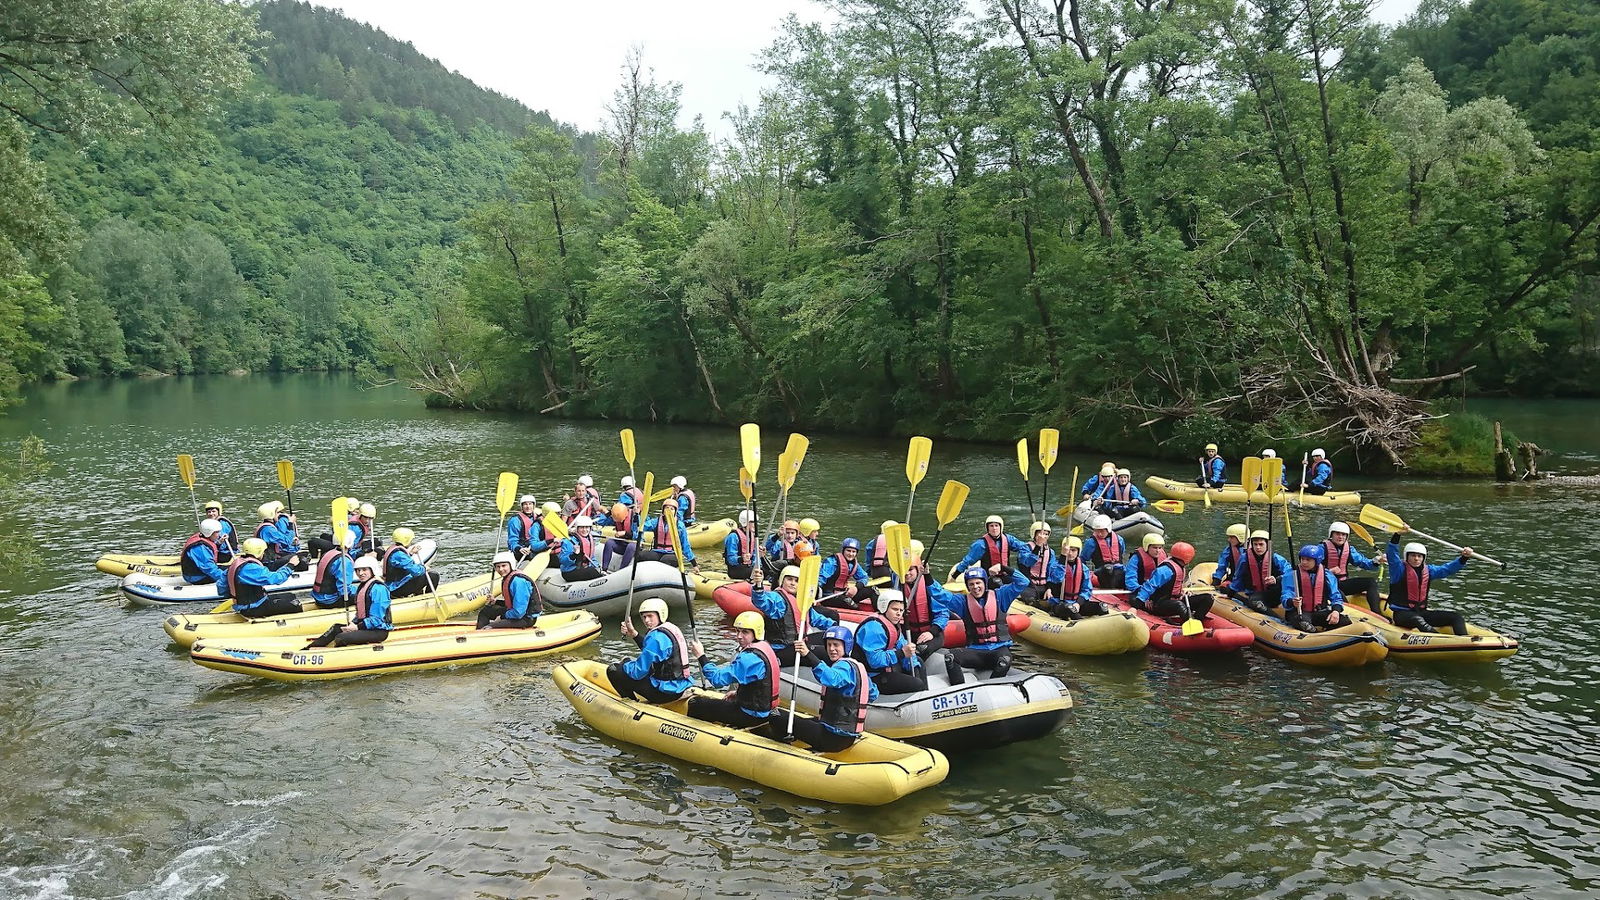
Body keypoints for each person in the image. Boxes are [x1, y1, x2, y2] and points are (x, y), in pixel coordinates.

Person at [777, 625, 877, 753]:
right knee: (805, 721)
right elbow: (873, 693)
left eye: (836, 645)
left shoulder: (843, 667)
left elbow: (831, 679)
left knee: (777, 715)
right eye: (829, 645)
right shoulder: (856, 666)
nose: (831, 649)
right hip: (845, 735)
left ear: (846, 646)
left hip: (832, 738)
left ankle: (782, 748)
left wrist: (808, 654)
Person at [687, 611, 781, 728]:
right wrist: (738, 694)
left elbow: (717, 680)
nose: (739, 636)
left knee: (696, 704)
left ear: (756, 633)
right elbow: (757, 685)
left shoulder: (750, 658)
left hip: (751, 716)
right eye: (737, 631)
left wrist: (701, 656)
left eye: (745, 632)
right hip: (764, 709)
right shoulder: (765, 647)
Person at [941, 566, 1030, 684]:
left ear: (985, 583)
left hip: (998, 651)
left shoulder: (1001, 596)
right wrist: (926, 576)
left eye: (978, 583)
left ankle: (994, 688)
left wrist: (1003, 568)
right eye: (971, 584)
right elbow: (939, 594)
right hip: (975, 652)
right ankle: (959, 689)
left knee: (1005, 660)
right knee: (950, 657)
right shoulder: (962, 602)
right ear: (967, 587)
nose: (975, 587)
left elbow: (1023, 582)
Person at [608, 597, 693, 703]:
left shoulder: (655, 638)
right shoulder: (671, 628)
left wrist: (625, 664)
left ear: (660, 614)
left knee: (613, 670)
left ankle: (631, 702)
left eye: (650, 616)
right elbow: (653, 652)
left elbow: (637, 672)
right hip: (680, 685)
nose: (646, 620)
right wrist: (634, 634)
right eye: (644, 617)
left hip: (664, 694)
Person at [751, 565, 838, 666]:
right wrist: (758, 586)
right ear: (782, 580)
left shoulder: (801, 601)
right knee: (824, 653)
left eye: (797, 581)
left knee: (831, 639)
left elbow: (817, 619)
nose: (793, 583)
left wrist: (835, 627)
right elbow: (761, 601)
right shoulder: (776, 598)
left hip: (798, 644)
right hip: (781, 650)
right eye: (789, 579)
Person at [1385, 533, 1472, 634]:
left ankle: (1464, 640)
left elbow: (1447, 569)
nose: (1416, 558)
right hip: (1402, 615)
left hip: (1421, 612)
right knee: (1417, 620)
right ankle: (1440, 640)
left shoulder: (1429, 570)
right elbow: (1391, 554)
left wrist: (1464, 558)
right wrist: (1397, 535)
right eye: (1413, 555)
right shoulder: (1398, 569)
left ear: (1423, 558)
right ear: (1406, 556)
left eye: (1419, 556)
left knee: (1456, 617)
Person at [305, 555, 393, 648]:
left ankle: (335, 657)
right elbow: (361, 613)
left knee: (341, 637)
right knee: (336, 628)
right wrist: (353, 624)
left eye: (364, 570)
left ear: (372, 570)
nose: (360, 573)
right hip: (365, 627)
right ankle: (309, 648)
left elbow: (377, 619)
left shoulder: (379, 589)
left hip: (378, 631)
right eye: (358, 570)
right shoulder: (364, 586)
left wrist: (357, 627)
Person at [852, 595, 927, 694]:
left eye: (901, 610)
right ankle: (920, 692)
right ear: (884, 607)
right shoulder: (874, 628)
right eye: (895, 609)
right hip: (872, 676)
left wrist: (913, 665)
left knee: (918, 662)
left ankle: (924, 694)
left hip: (887, 669)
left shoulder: (894, 626)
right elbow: (875, 661)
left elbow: (904, 647)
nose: (898, 613)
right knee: (917, 684)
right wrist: (901, 653)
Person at [1129, 541, 1213, 624]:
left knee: (1208, 598)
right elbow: (1149, 586)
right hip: (1158, 604)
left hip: (1174, 600)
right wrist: (1135, 606)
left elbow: (1175, 586)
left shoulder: (1180, 566)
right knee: (1178, 605)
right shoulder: (1165, 570)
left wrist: (1182, 593)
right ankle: (1189, 623)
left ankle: (1197, 620)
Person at [224, 538, 302, 619]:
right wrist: (290, 565)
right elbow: (277, 579)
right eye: (263, 551)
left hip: (250, 604)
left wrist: (235, 596)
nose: (264, 553)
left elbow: (221, 586)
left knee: (291, 596)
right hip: (253, 609)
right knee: (295, 604)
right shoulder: (251, 568)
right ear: (258, 552)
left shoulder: (237, 563)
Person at [1226, 530, 1295, 614]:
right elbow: (1238, 577)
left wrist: (1276, 579)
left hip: (1274, 593)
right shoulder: (1245, 558)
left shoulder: (1276, 558)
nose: (1258, 547)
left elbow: (1290, 574)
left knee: (1281, 582)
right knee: (1254, 602)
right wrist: (1230, 594)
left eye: (1261, 544)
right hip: (1256, 593)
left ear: (1267, 545)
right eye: (1255, 544)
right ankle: (1272, 615)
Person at [898, 556, 954, 658]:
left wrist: (931, 632)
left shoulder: (929, 587)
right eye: (904, 570)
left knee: (922, 649)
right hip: (908, 632)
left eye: (910, 569)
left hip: (932, 632)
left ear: (918, 569)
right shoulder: (897, 586)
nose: (907, 573)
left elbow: (942, 613)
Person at [1287, 545, 1348, 632]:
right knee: (1303, 623)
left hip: (1319, 612)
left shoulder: (1327, 575)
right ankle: (1314, 634)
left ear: (1317, 561)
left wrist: (1336, 611)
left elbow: (1336, 596)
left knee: (1345, 621)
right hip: (1299, 612)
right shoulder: (1292, 574)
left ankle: (1327, 635)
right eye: (1302, 559)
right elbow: (1287, 592)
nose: (1304, 562)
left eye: (1308, 560)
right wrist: (1292, 601)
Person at [1041, 536, 1104, 619]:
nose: (1070, 553)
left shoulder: (1083, 568)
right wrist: (1063, 558)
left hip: (1076, 603)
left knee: (1102, 606)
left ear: (1078, 551)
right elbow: (1056, 579)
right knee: (1070, 609)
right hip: (1059, 603)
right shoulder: (1056, 566)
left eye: (1073, 550)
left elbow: (1087, 590)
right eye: (1068, 550)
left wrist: (1078, 603)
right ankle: (1081, 624)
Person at [953, 515, 1028, 582]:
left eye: (996, 525)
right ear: (987, 528)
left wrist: (1036, 547)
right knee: (997, 583)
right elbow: (967, 561)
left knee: (1024, 581)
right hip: (989, 577)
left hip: (1005, 574)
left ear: (1001, 527)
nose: (994, 528)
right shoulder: (980, 544)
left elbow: (1024, 547)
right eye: (991, 526)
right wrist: (955, 575)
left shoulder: (1008, 539)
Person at [1322, 522, 1380, 608]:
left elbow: (1363, 562)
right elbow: (1311, 569)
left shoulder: (1349, 549)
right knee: (1338, 593)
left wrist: (1376, 561)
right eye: (1337, 534)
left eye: (1343, 535)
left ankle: (1377, 613)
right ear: (1331, 534)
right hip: (1327, 585)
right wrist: (1329, 572)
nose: (1340, 537)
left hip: (1342, 583)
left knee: (1371, 582)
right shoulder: (1321, 549)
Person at [478, 550, 541, 628]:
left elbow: (519, 612)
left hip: (525, 618)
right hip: (515, 613)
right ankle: (479, 631)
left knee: (490, 627)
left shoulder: (519, 582)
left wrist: (502, 617)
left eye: (504, 566)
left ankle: (485, 632)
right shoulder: (508, 578)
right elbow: (511, 602)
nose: (500, 569)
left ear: (511, 565)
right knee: (485, 612)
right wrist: (496, 602)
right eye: (498, 566)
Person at [817, 538, 875, 609]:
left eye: (853, 552)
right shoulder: (832, 562)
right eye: (848, 551)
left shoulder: (854, 564)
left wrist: (856, 587)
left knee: (873, 589)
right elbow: (821, 578)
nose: (851, 554)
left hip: (844, 593)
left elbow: (864, 577)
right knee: (850, 603)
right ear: (843, 551)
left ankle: (882, 613)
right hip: (828, 596)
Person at [639, 499, 697, 570]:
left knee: (665, 561)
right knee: (640, 556)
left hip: (672, 553)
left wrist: (694, 564)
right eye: (667, 508)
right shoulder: (655, 522)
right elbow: (641, 527)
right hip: (657, 551)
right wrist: (638, 515)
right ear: (663, 510)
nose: (669, 510)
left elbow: (685, 546)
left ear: (675, 512)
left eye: (672, 509)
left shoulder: (679, 525)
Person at [381, 527, 438, 598]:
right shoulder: (399, 555)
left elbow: (402, 563)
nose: (411, 542)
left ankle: (418, 594)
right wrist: (424, 568)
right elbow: (416, 571)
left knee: (416, 576)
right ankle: (428, 598)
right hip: (397, 589)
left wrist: (411, 553)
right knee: (433, 575)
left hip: (393, 586)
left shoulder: (393, 549)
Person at [1018, 522, 1063, 606]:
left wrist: (1049, 588)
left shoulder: (1050, 552)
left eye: (1046, 534)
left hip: (1044, 584)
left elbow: (1051, 571)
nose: (1043, 537)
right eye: (1040, 534)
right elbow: (1027, 562)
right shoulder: (1025, 548)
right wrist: (1038, 546)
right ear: (1034, 534)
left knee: (1057, 597)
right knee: (1031, 600)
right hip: (1029, 584)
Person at [254, 501, 302, 571]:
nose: (278, 515)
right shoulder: (268, 530)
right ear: (272, 515)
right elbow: (287, 541)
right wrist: (290, 524)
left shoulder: (265, 526)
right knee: (300, 557)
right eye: (277, 513)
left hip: (271, 559)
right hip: (269, 564)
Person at [180, 518, 228, 587]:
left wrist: (219, 543)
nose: (219, 534)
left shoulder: (203, 538)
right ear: (209, 533)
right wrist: (227, 579)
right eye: (217, 532)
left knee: (230, 568)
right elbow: (209, 568)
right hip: (197, 577)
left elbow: (210, 548)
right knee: (230, 573)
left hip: (201, 572)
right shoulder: (200, 547)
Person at [1084, 515, 1127, 589]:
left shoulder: (1119, 540)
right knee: (1108, 569)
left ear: (1108, 529)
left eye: (1102, 531)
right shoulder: (1091, 543)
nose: (1099, 534)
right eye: (1097, 530)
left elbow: (1122, 552)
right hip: (1101, 573)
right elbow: (1083, 559)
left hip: (1118, 571)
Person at [309, 539, 354, 609]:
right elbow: (344, 590)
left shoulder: (328, 553)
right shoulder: (344, 560)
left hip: (318, 598)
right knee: (364, 593)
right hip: (331, 601)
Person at [559, 515, 605, 581]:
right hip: (569, 571)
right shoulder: (568, 541)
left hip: (583, 567)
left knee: (595, 570)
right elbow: (563, 561)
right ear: (577, 528)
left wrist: (598, 567)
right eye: (581, 528)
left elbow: (592, 557)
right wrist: (573, 555)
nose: (584, 530)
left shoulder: (589, 540)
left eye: (587, 527)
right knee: (591, 572)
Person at [508, 495, 550, 563]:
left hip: (536, 545)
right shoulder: (515, 520)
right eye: (525, 504)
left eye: (530, 504)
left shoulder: (538, 517)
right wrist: (519, 548)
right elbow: (512, 541)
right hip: (522, 549)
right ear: (521, 506)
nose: (528, 507)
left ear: (534, 505)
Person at [722, 509, 759, 581]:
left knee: (766, 570)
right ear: (745, 523)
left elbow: (754, 555)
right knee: (760, 572)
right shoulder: (733, 536)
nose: (755, 524)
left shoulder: (752, 536)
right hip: (735, 570)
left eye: (755, 522)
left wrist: (759, 558)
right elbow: (730, 559)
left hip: (748, 567)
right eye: (752, 522)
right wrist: (742, 559)